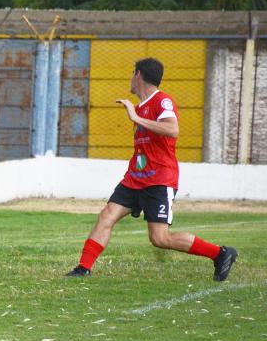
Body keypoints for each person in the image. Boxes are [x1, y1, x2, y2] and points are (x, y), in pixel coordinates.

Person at [65, 58, 237, 281]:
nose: (130, 77)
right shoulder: (141, 107)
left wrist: (136, 118)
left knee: (160, 238)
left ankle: (221, 254)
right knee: (106, 216)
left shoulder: (162, 101)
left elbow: (172, 129)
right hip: (135, 178)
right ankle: (83, 268)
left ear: (138, 75)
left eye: (131, 73)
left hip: (159, 180)